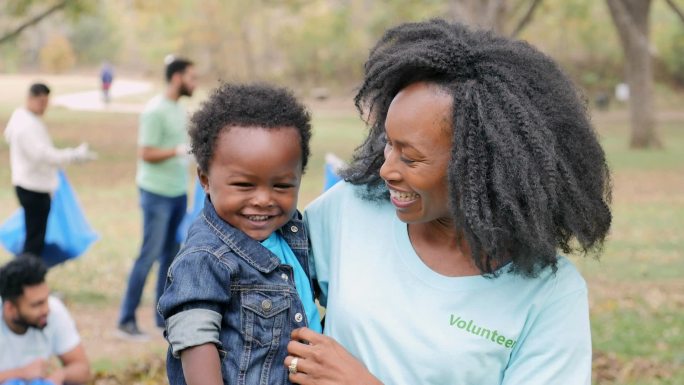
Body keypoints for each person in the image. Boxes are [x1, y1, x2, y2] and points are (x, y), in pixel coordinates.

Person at [284, 19, 612, 385]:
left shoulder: (549, 294)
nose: (385, 170)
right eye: (388, 144)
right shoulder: (351, 207)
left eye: (411, 158)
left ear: (481, 168)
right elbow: (251, 274)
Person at [157, 83, 321, 385]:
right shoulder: (205, 257)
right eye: (244, 185)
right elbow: (195, 338)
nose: (263, 199)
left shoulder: (292, 232)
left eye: (282, 185)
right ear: (205, 180)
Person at [117, 57, 197, 339]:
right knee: (148, 255)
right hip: (156, 195)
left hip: (177, 193)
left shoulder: (179, 108)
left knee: (170, 257)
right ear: (176, 78)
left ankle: (162, 318)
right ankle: (126, 319)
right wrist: (176, 151)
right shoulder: (154, 110)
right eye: (191, 76)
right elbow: (146, 153)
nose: (194, 82)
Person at [3, 83, 96, 257]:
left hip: (34, 184)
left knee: (35, 236)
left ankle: (29, 277)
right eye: (41, 102)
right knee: (34, 240)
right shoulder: (25, 124)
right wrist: (73, 155)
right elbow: (43, 155)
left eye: (46, 102)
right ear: (30, 99)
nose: (44, 107)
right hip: (32, 187)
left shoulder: (28, 119)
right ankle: (27, 278)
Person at [0, 256, 91, 385]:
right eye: (36, 304)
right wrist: (22, 373)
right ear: (10, 309)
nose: (46, 309)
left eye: (46, 299)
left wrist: (61, 375)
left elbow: (82, 369)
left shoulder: (54, 310)